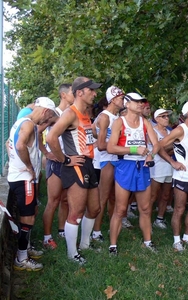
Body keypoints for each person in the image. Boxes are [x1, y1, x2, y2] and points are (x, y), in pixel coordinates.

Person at [46, 77, 102, 264]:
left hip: (89, 164)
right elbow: (51, 137)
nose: (95, 94)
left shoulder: (85, 113)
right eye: (91, 90)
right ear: (80, 92)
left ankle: (85, 244)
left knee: (95, 208)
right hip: (76, 165)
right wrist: (65, 159)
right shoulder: (70, 113)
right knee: (76, 212)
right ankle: (72, 254)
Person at [8, 97, 58, 271]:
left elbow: (9, 143)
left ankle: (25, 249)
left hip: (21, 177)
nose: (47, 121)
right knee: (27, 218)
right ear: (45, 111)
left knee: (31, 212)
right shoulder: (28, 124)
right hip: (24, 179)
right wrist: (29, 167)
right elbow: (20, 146)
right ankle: (21, 258)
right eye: (49, 116)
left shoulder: (23, 123)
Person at [107, 92, 159, 255]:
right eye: (136, 101)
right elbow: (110, 147)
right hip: (125, 165)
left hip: (142, 166)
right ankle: (113, 245)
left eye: (142, 102)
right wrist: (134, 149)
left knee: (145, 208)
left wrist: (151, 154)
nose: (140, 104)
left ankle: (148, 241)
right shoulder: (119, 122)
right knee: (120, 209)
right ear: (127, 104)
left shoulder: (145, 123)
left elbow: (156, 144)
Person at [158, 100, 188, 252]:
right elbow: (160, 146)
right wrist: (172, 162)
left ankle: (187, 236)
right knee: (179, 209)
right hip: (182, 177)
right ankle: (176, 240)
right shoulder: (180, 130)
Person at [42, 84, 74, 249]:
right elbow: (36, 130)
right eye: (71, 92)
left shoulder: (72, 113)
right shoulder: (54, 113)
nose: (74, 94)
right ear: (63, 95)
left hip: (68, 162)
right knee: (53, 200)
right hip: (55, 162)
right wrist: (46, 153)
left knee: (66, 200)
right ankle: (47, 237)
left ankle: (62, 230)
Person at [91, 86, 125, 242]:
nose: (123, 101)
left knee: (113, 197)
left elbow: (94, 131)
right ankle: (96, 232)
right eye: (121, 98)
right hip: (106, 159)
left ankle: (113, 225)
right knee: (102, 197)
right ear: (113, 99)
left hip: (116, 158)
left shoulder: (116, 117)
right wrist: (126, 149)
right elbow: (101, 145)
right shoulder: (105, 117)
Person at [150, 108, 174, 229]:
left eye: (167, 116)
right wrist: (168, 149)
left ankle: (160, 218)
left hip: (169, 166)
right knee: (153, 195)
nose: (166, 118)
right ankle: (147, 220)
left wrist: (166, 149)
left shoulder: (170, 133)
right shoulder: (153, 132)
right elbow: (158, 149)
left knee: (166, 194)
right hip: (157, 167)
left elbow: (170, 148)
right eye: (163, 116)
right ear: (156, 119)